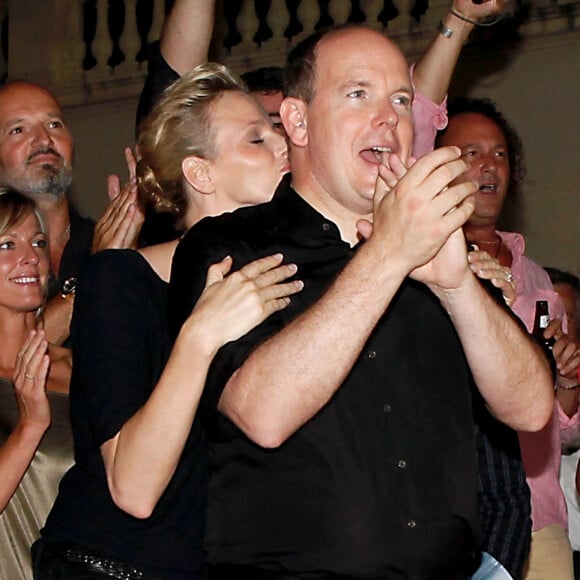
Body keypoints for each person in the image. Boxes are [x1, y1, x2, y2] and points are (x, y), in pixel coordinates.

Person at [168, 25, 553, 578]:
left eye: (400, 99)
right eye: (358, 94)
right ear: (297, 122)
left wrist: (456, 286)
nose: (388, 117)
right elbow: (263, 414)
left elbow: (531, 408)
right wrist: (389, 255)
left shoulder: (442, 248)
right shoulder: (229, 246)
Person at [34, 62, 301, 579]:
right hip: (113, 566)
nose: (285, 145)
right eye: (258, 138)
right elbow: (133, 489)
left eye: (280, 131)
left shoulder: (288, 279)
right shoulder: (118, 281)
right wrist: (199, 335)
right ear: (201, 172)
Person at [437, 96, 580, 580]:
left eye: (499, 154)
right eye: (471, 153)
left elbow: (565, 432)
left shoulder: (538, 279)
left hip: (540, 518)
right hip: (454, 517)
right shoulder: (423, 267)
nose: (488, 166)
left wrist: (566, 382)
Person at [0, 81, 144, 346]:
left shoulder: (108, 240)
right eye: (18, 129)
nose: (44, 140)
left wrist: (127, 267)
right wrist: (99, 273)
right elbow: (12, 359)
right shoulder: (102, 252)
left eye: (54, 125)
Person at [0, 189, 72, 579]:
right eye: (7, 244)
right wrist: (30, 426)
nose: (30, 256)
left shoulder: (82, 368)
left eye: (38, 242)